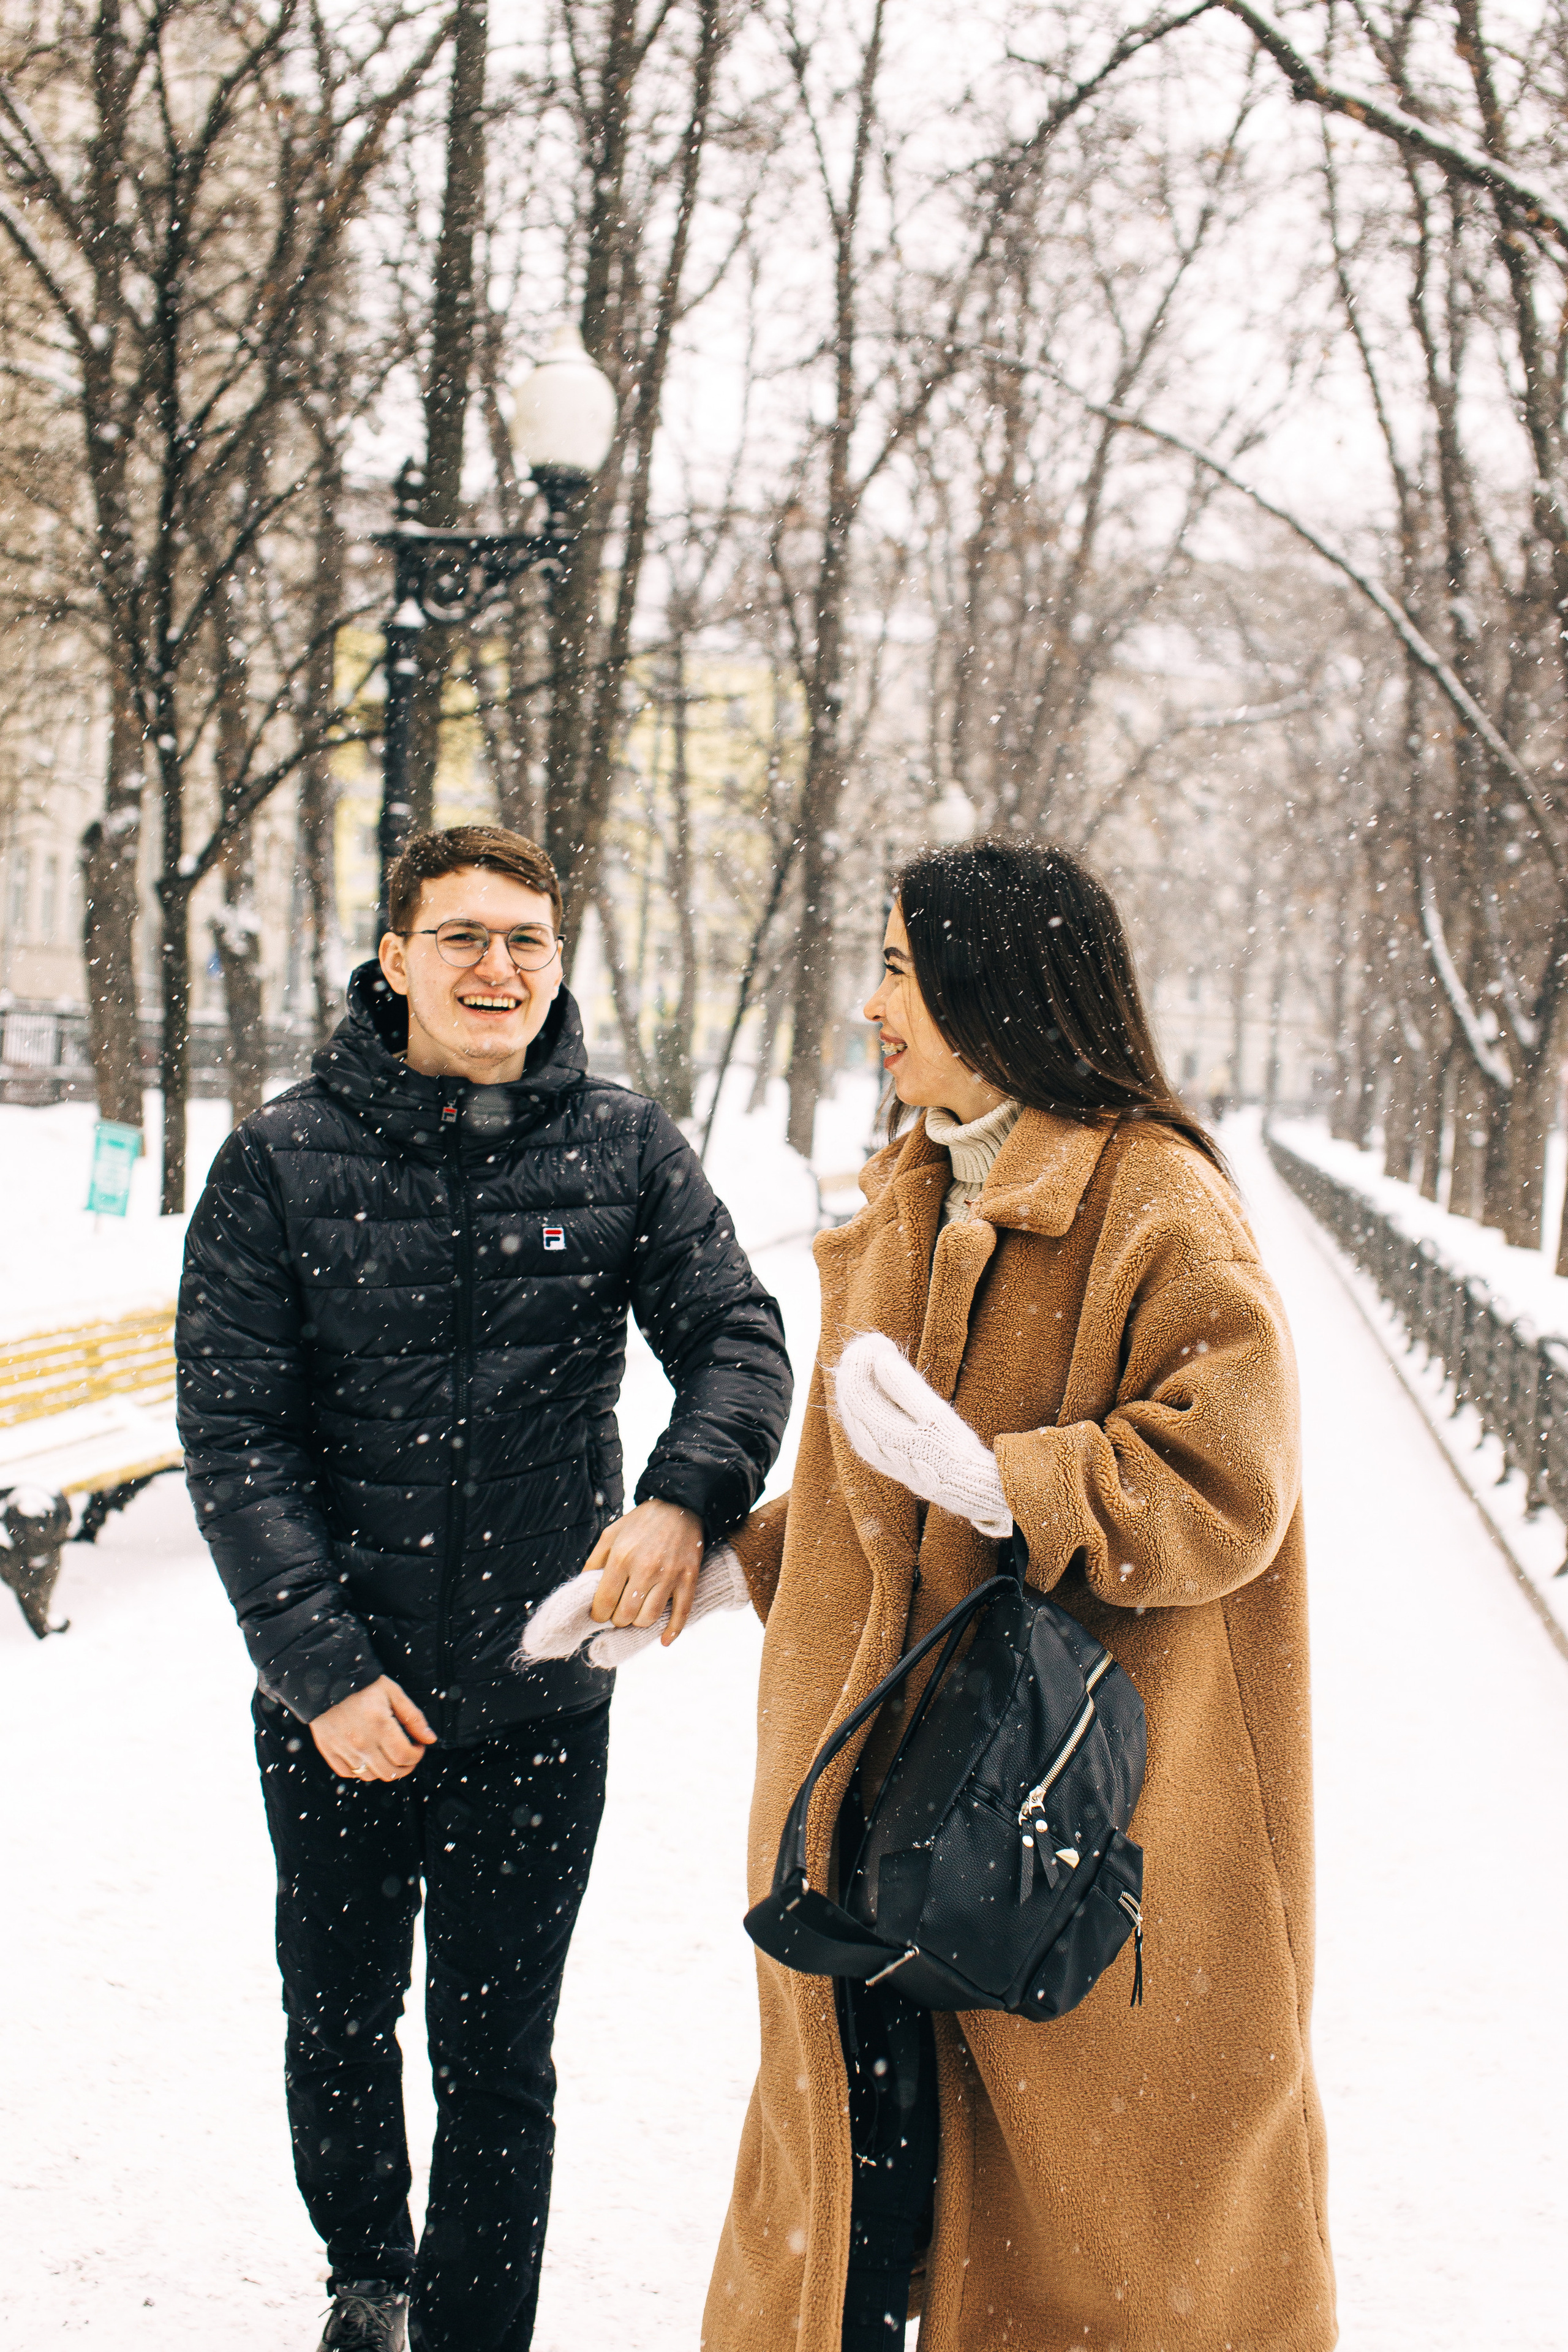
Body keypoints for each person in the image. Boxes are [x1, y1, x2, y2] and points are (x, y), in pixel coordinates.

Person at [703, 839, 1336, 2352]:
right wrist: (720, 1571)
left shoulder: (1153, 1200)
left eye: (900, 971)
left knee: (1102, 2234)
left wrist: (1010, 1485)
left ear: (999, 996)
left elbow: (1229, 1483)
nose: (870, 1006)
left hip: (1066, 1813)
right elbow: (885, 1492)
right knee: (874, 2207)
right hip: (890, 1816)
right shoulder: (914, 1186)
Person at [176, 824, 792, 2352]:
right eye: (459, 936)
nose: (495, 966)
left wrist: (680, 1497)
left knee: (499, 2052)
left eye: (524, 937)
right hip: (335, 1701)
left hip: (534, 1691)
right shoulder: (280, 1158)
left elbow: (736, 1336)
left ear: (557, 958)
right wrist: (319, 1669)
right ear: (394, 961)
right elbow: (234, 1432)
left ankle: (469, 2331)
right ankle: (367, 2277)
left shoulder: (624, 1149)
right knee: (335, 2023)